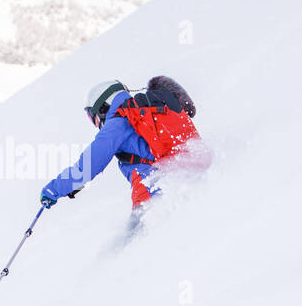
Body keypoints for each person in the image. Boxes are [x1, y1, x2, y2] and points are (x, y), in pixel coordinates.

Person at [40, 76, 204, 211]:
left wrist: (52, 191)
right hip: (185, 168)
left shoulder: (116, 124)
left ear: (103, 107)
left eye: (93, 117)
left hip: (152, 187)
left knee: (135, 243)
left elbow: (86, 168)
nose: (96, 123)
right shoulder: (143, 111)